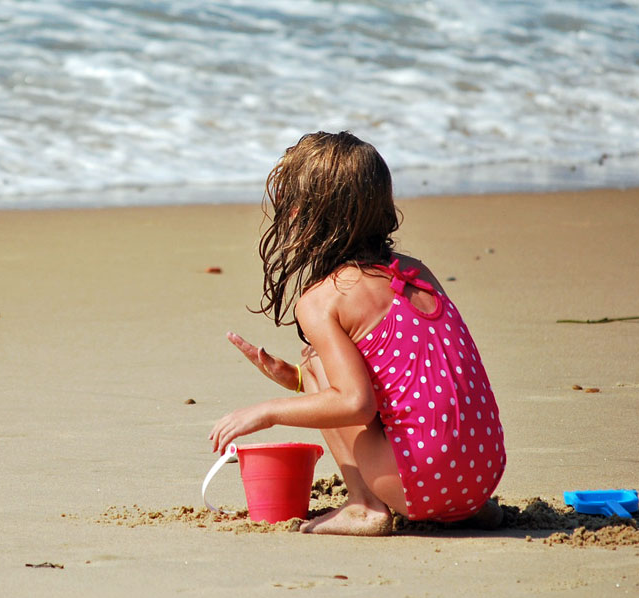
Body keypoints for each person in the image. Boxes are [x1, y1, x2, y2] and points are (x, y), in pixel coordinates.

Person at [208, 131, 505, 536]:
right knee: (312, 368)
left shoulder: (321, 301)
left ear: (307, 215)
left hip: (421, 483)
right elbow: (421, 378)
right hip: (482, 475)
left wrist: (266, 411)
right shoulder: (416, 271)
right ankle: (463, 508)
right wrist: (297, 381)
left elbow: (357, 405)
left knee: (316, 361)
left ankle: (365, 505)